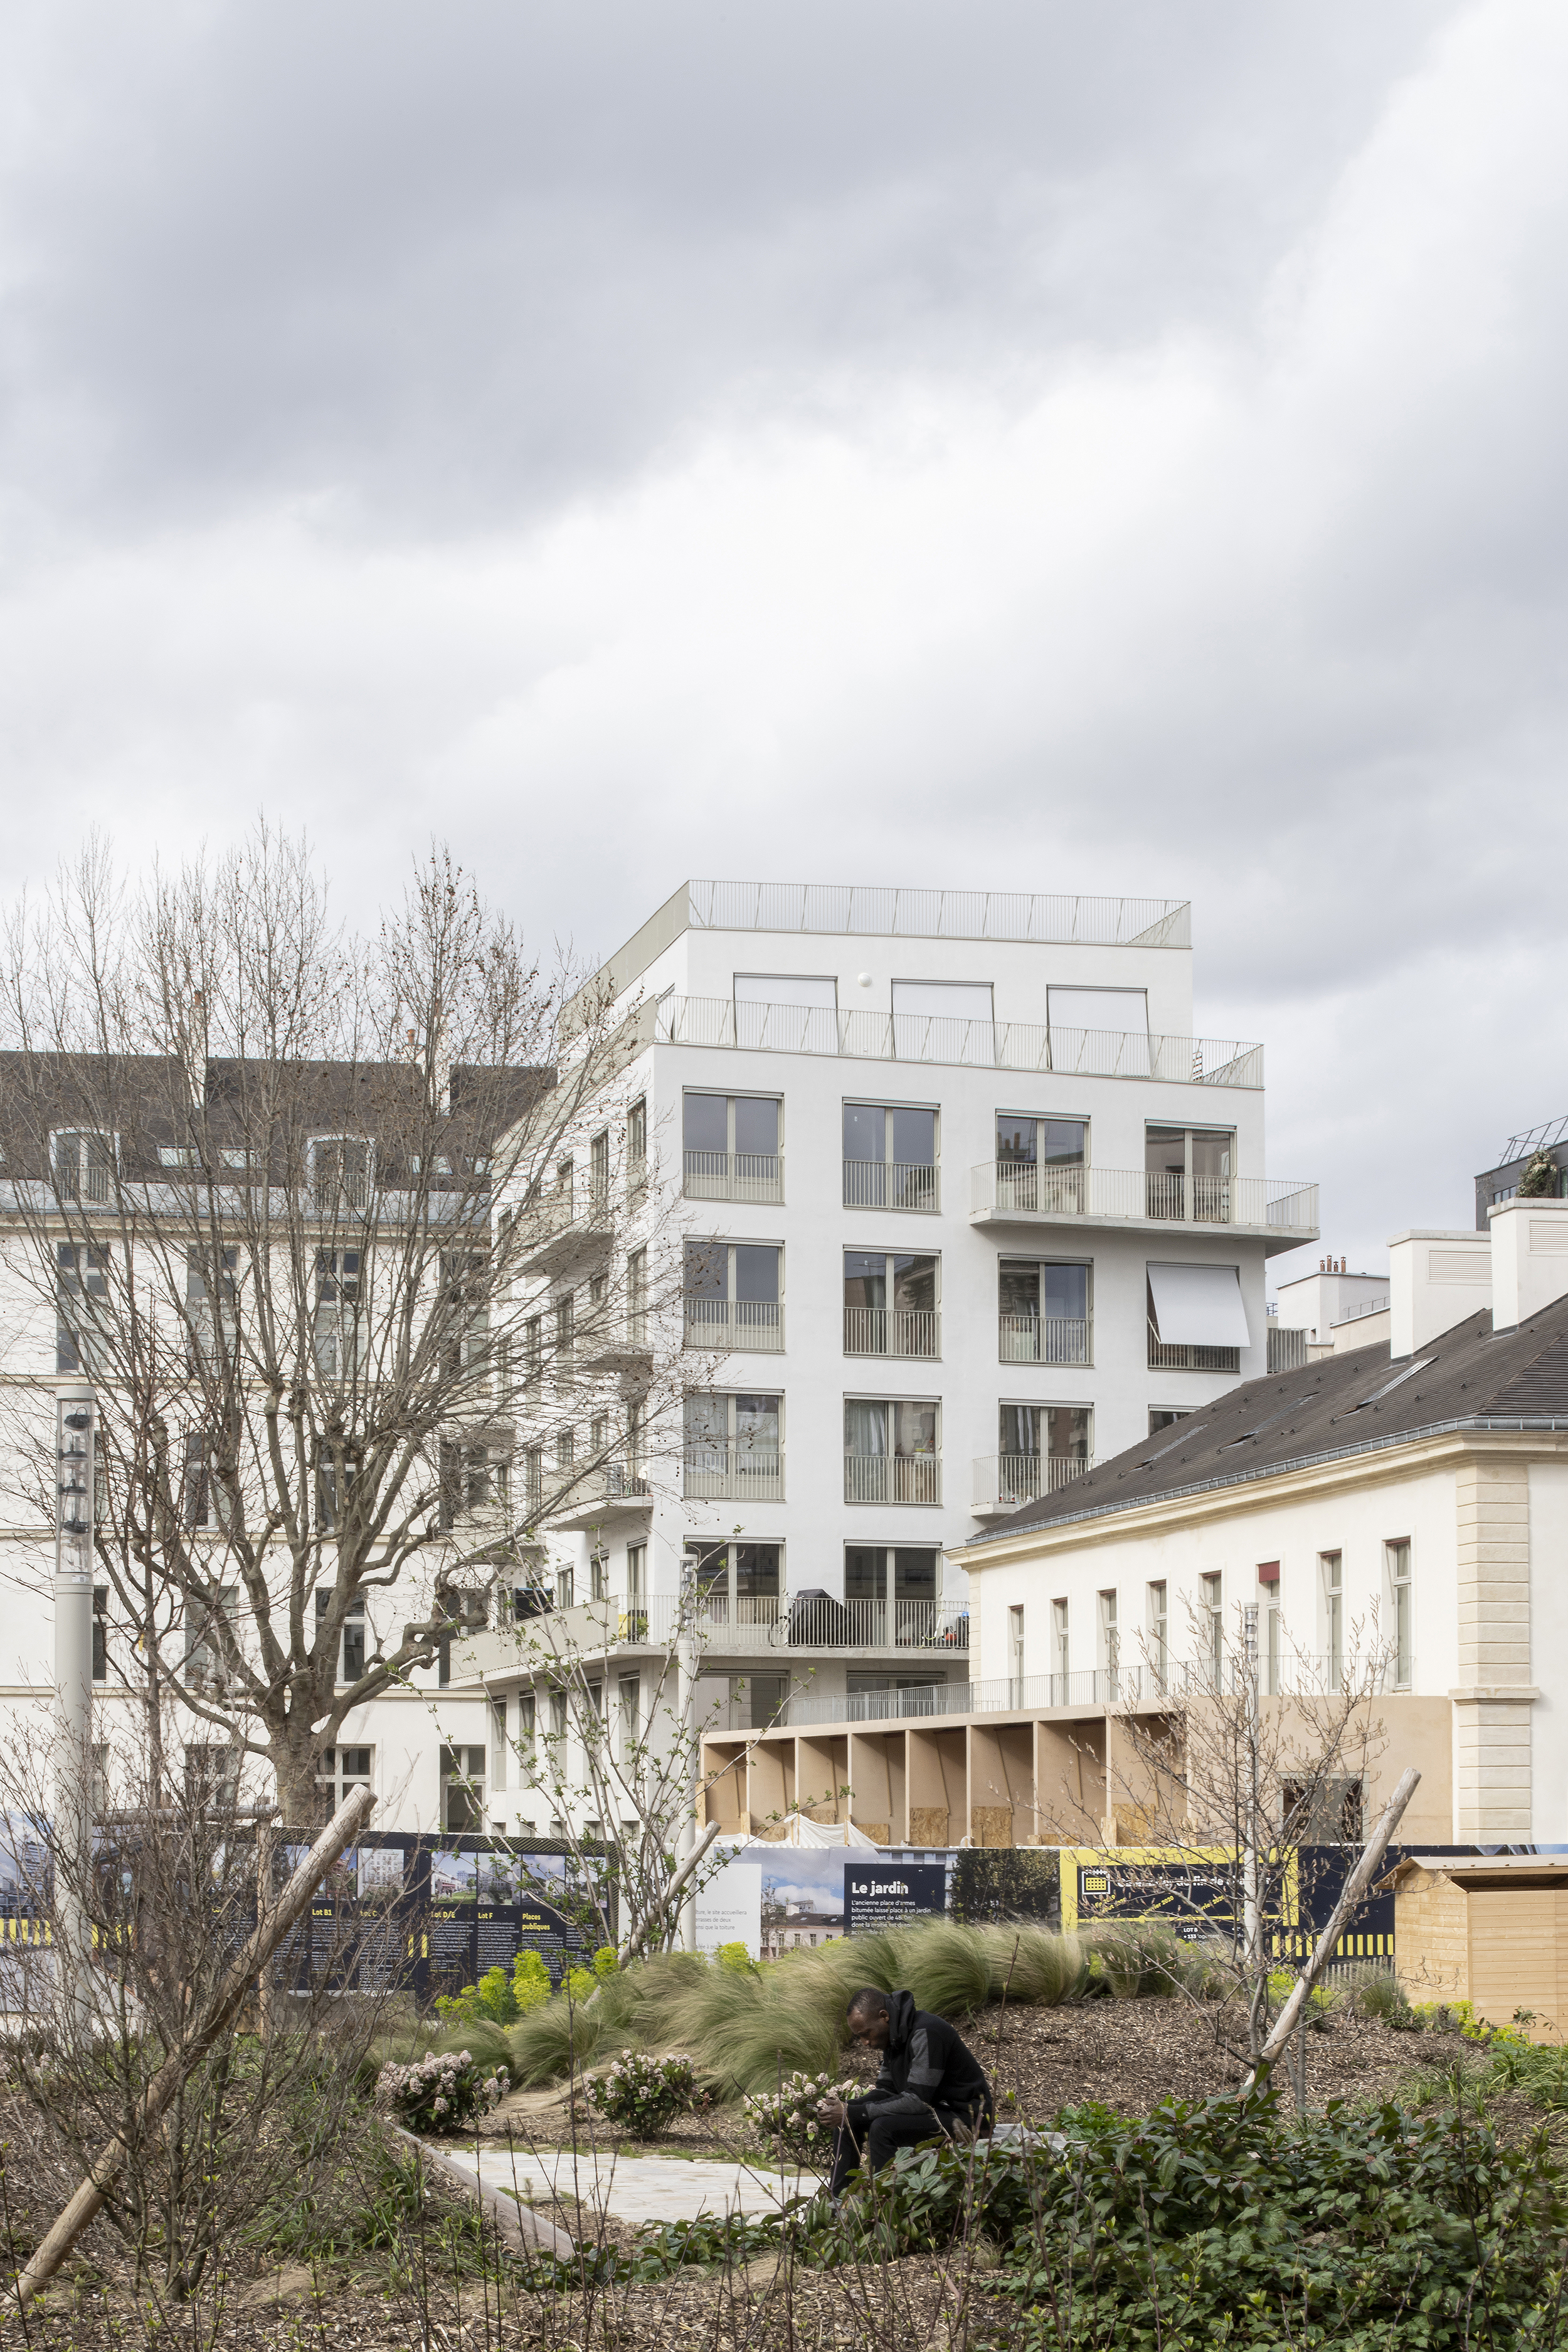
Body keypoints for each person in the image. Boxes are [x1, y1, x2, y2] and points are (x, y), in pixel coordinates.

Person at [818, 1986, 993, 2198]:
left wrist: (854, 2112)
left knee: (883, 2128)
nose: (865, 2043)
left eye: (866, 2034)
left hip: (966, 2118)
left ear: (884, 2017)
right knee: (845, 2121)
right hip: (935, 2111)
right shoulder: (894, 2038)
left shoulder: (926, 2033)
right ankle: (839, 2204)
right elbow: (887, 2090)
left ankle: (885, 2205)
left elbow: (918, 2101)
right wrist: (846, 2110)